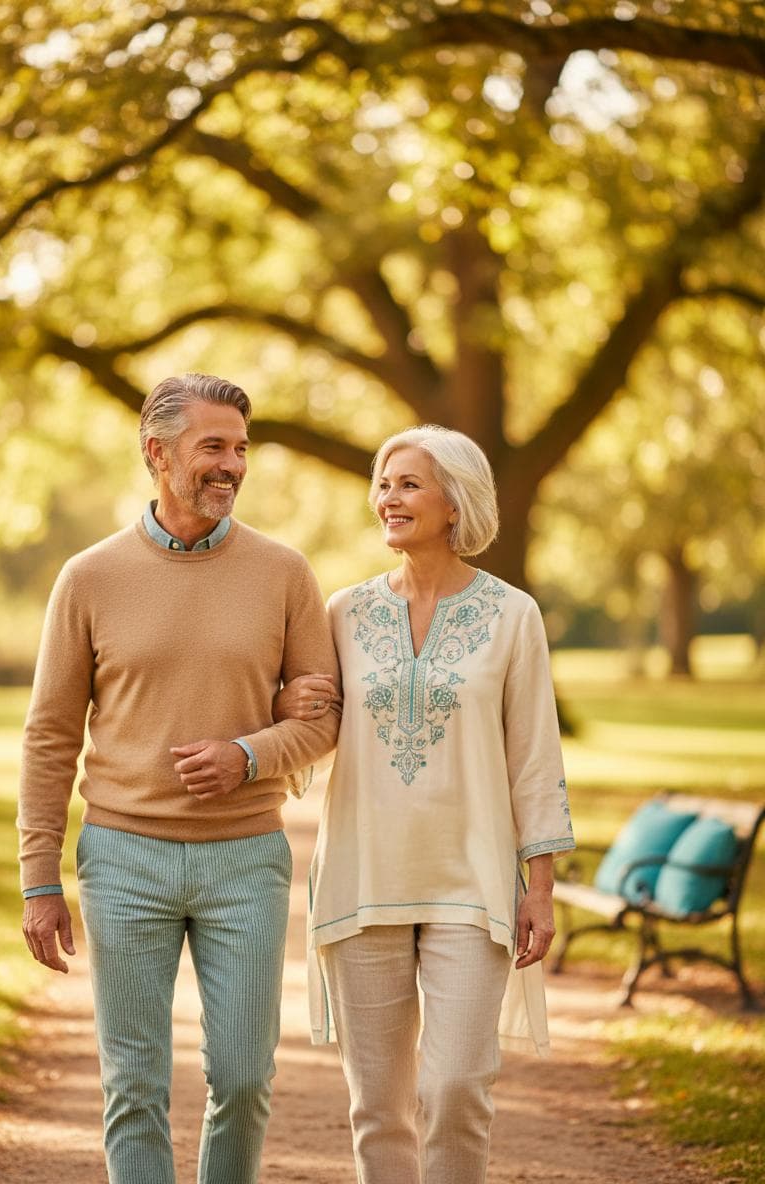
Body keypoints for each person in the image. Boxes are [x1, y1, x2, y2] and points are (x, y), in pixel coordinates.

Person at [18, 372, 341, 1184]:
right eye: (213, 448)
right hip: (123, 860)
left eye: (240, 449)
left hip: (246, 860)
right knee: (134, 1084)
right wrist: (38, 880)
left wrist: (249, 756)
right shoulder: (88, 579)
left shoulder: (284, 573)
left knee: (243, 1074)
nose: (232, 465)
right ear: (157, 453)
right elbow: (51, 736)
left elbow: (325, 717)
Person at [275, 425, 575, 1184]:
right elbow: (312, 725)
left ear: (455, 503)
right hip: (363, 878)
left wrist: (539, 887)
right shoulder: (342, 612)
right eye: (383, 483)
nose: (388, 498)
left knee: (456, 1088)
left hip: (471, 885)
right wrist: (289, 700)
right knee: (377, 1106)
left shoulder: (514, 617)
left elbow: (535, 759)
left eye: (408, 484)